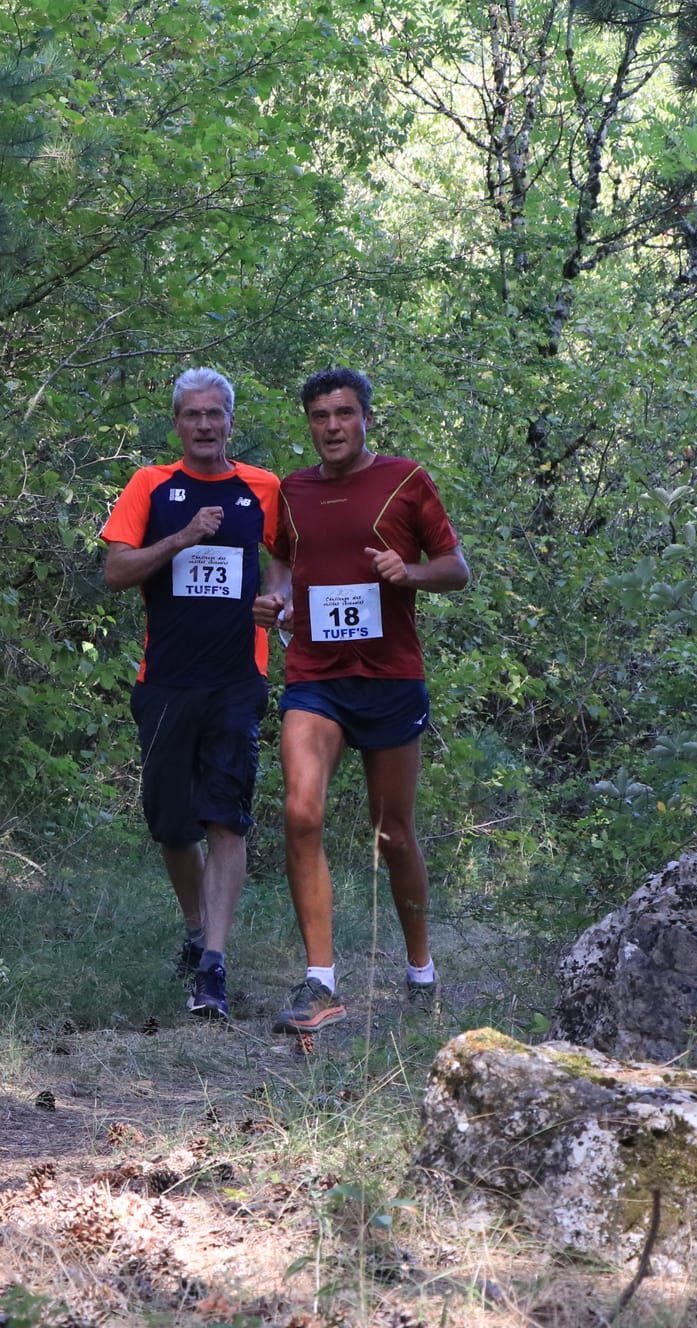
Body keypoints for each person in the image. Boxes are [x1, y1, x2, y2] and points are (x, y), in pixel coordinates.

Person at [253, 367, 469, 1034]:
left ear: (367, 418)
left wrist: (411, 572)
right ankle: (320, 982)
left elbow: (456, 570)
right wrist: (277, 600)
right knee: (300, 812)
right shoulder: (292, 490)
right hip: (316, 673)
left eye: (344, 413)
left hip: (389, 675)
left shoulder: (404, 480)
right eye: (320, 415)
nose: (332, 426)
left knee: (393, 832)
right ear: (309, 424)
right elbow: (284, 568)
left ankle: (420, 971)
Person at [101, 368, 280, 1021]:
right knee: (170, 822)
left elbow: (288, 556)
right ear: (177, 423)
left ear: (231, 422)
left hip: (238, 677)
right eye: (193, 415)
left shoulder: (264, 487)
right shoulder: (152, 486)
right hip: (166, 680)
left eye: (215, 415)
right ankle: (198, 927)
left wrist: (278, 597)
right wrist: (180, 538)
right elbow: (116, 570)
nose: (205, 425)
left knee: (225, 817)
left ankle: (213, 965)